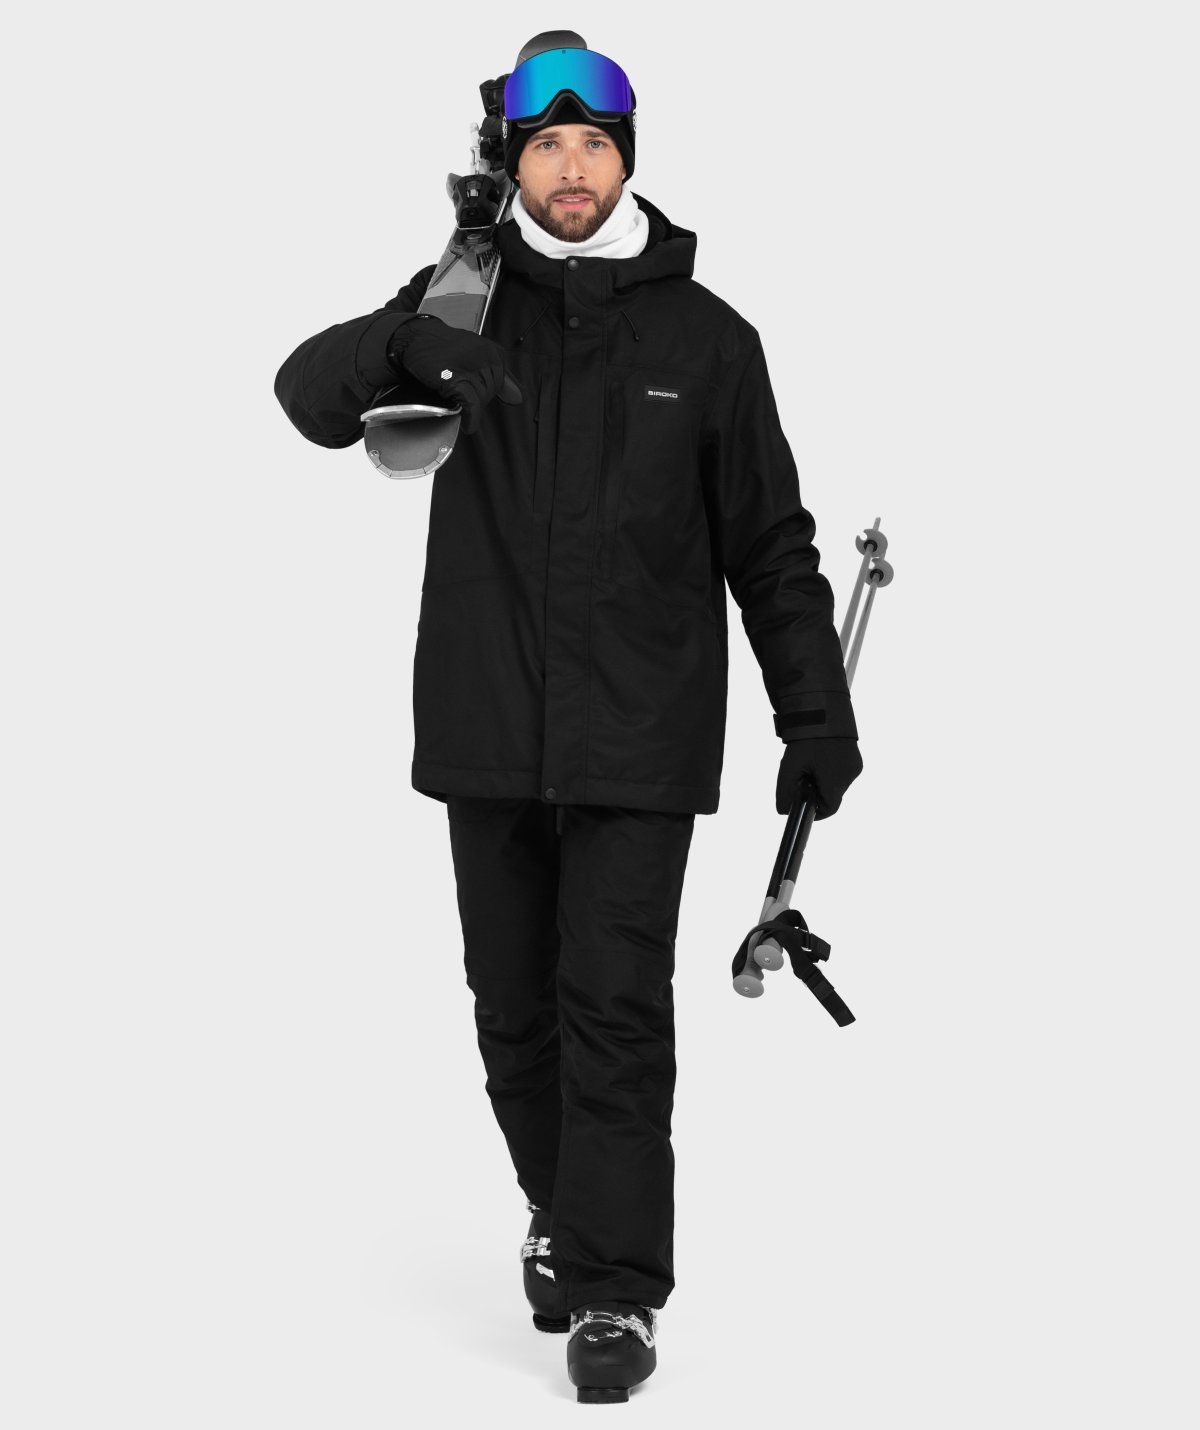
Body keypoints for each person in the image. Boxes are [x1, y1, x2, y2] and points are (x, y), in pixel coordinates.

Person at [273, 30, 863, 1404]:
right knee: (513, 1012)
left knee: (614, 1010)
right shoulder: (460, 303)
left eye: (596, 143)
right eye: (548, 145)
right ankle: (561, 1206)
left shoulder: (710, 342)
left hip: (642, 733)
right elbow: (306, 396)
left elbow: (770, 544)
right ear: (514, 163)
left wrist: (813, 710)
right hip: (487, 718)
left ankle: (614, 1290)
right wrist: (404, 339)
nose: (576, 167)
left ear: (626, 158)